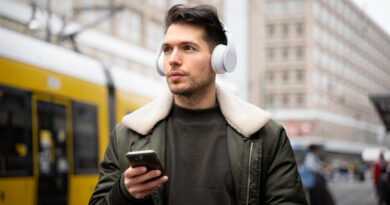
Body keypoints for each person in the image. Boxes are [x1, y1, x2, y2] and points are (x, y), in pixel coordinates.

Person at [89, 4, 307, 205]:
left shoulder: (265, 135)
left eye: (188, 48)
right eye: (167, 49)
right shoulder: (127, 134)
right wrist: (123, 193)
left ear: (219, 60)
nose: (173, 59)